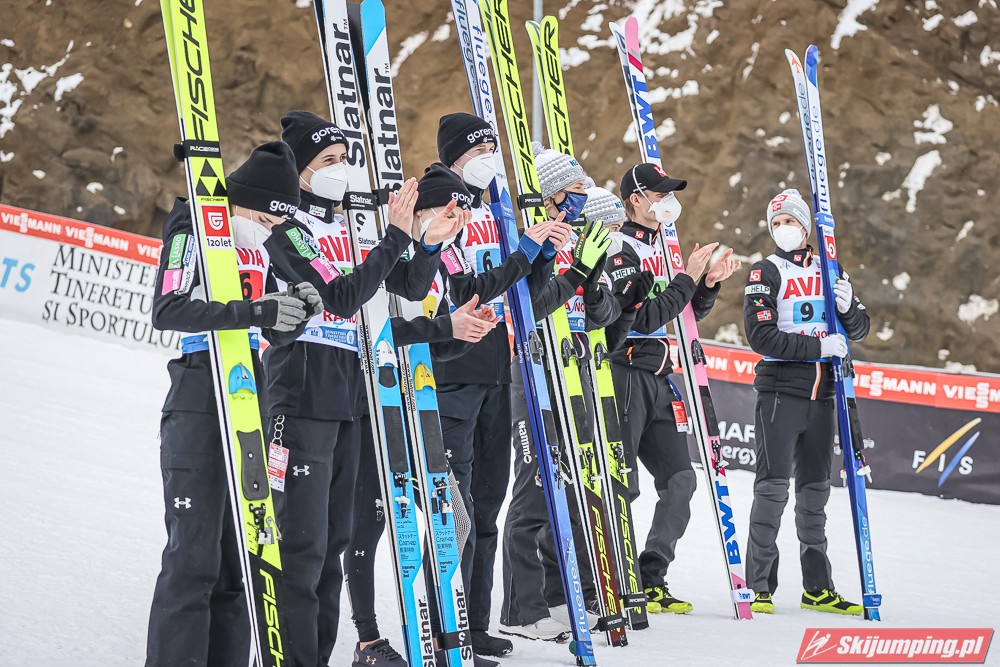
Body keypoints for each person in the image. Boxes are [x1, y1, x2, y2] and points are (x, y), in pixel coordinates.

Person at [261, 110, 469, 667]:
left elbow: (409, 286)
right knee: (303, 543)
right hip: (302, 386)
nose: (341, 169)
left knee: (334, 542)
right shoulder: (285, 229)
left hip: (353, 392)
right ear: (301, 170)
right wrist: (396, 235)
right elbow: (341, 299)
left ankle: (318, 655)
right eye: (328, 160)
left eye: (345, 158)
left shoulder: (348, 228)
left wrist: (427, 244)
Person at [146, 141, 315, 667]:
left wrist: (294, 316)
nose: (267, 230)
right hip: (199, 396)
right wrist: (257, 310)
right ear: (241, 201)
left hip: (249, 396)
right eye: (262, 218)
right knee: (192, 559)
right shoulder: (191, 227)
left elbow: (268, 329)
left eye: (276, 224)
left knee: (240, 560)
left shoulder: (263, 246)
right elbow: (167, 309)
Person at [431, 113, 572, 660]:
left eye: (494, 148)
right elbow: (465, 289)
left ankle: (475, 622)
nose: (489, 158)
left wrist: (545, 253)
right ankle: (445, 624)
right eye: (478, 150)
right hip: (453, 371)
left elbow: (524, 294)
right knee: (457, 506)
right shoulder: (444, 208)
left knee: (488, 503)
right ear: (454, 157)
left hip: (497, 367)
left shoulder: (498, 209)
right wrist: (523, 254)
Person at [500, 144, 621, 641]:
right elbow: (529, 306)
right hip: (531, 369)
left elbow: (603, 316)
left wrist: (592, 278)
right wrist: (575, 274)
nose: (580, 199)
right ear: (550, 195)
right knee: (533, 488)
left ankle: (557, 596)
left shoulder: (577, 238)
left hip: (570, 371)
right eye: (573, 191)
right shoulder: (528, 238)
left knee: (567, 493)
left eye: (584, 191)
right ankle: (520, 609)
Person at [607, 163, 740, 614]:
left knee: (681, 480)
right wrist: (688, 278)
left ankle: (651, 575)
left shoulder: (665, 247)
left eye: (670, 193)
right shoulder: (619, 246)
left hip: (661, 376)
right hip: (625, 371)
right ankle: (615, 579)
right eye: (660, 193)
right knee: (622, 485)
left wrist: (706, 285)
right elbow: (643, 317)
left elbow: (682, 314)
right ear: (636, 199)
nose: (669, 201)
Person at [742, 188, 870, 616]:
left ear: (806, 226)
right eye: (776, 223)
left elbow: (860, 329)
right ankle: (759, 586)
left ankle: (817, 588)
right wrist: (819, 347)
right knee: (772, 491)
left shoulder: (828, 268)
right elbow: (761, 337)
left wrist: (848, 310)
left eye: (790, 221)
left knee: (815, 496)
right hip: (781, 391)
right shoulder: (765, 271)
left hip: (823, 395)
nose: (783, 229)